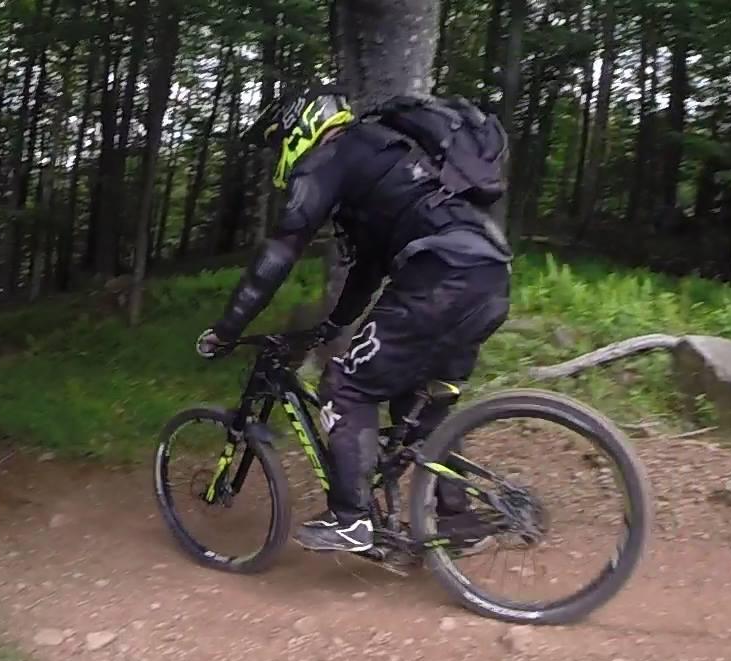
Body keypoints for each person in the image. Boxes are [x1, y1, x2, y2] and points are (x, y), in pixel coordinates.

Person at [196, 85, 512, 553]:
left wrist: (227, 329)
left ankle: (352, 519)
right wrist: (331, 326)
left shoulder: (329, 157)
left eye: (279, 142)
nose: (280, 155)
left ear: (299, 129)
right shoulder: (381, 157)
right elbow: (368, 268)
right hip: (488, 278)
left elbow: (280, 251)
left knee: (345, 384)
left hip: (439, 278)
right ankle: (459, 523)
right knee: (421, 405)